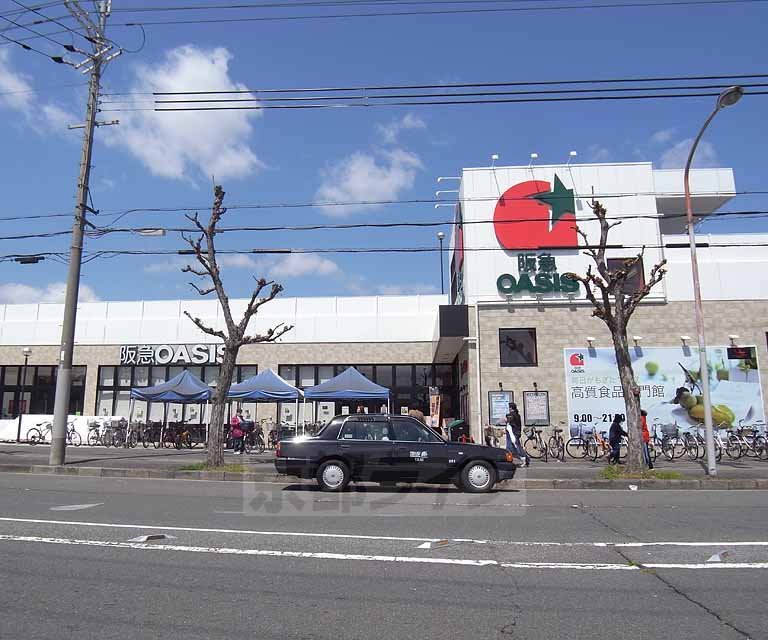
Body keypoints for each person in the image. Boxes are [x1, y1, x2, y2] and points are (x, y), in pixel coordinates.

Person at [505, 402, 528, 467]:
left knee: (512, 448)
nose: (508, 408)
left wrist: (505, 420)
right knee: (514, 447)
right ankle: (525, 459)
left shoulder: (512, 415)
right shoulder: (517, 415)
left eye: (509, 407)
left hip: (512, 434)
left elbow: (510, 421)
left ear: (511, 408)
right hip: (515, 433)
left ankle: (524, 459)